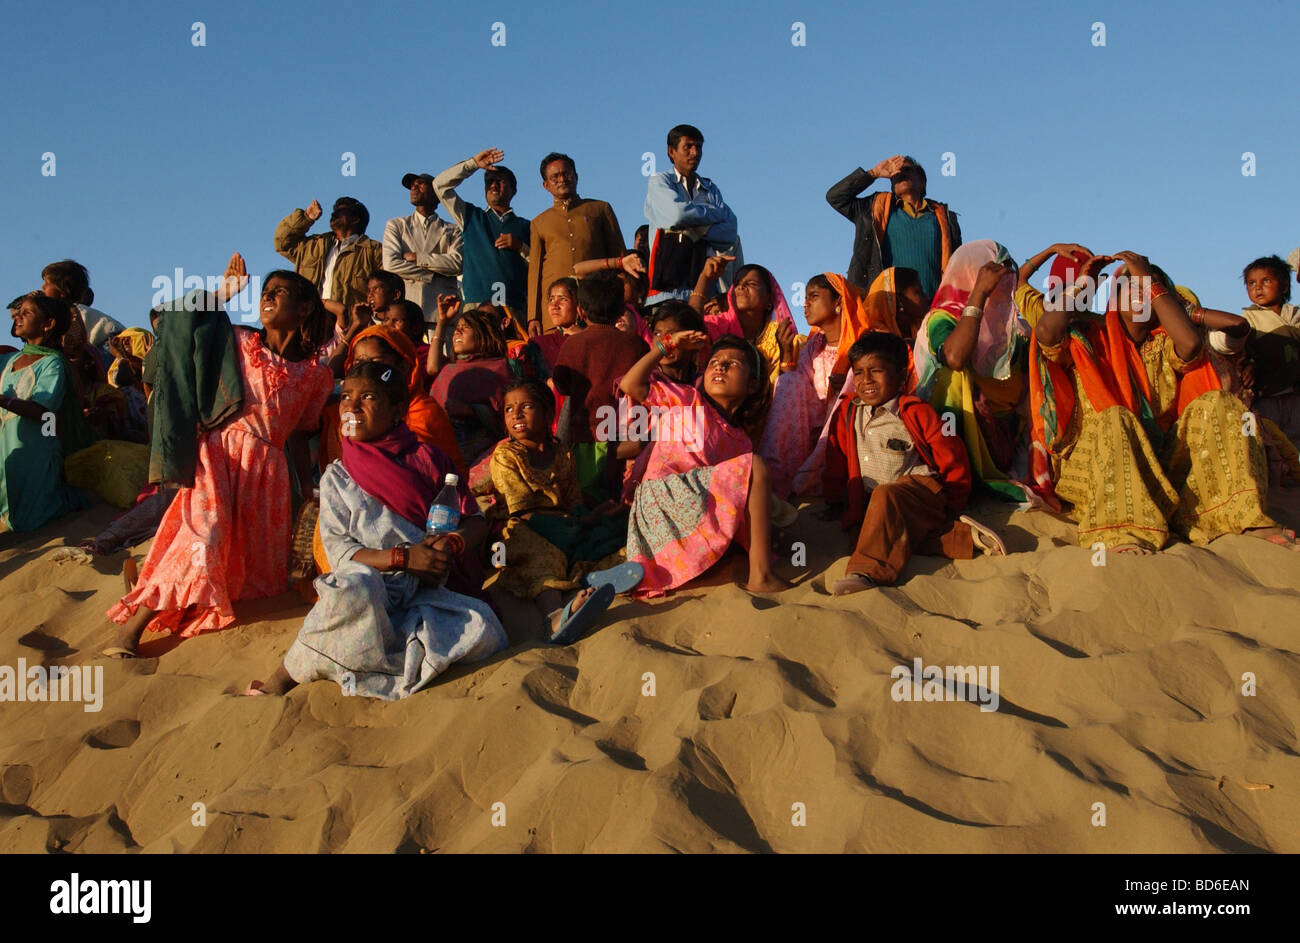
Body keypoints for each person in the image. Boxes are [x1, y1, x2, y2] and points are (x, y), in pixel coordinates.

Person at [104, 267, 334, 657]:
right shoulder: (238, 342)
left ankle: (156, 582)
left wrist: (306, 488)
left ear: (305, 307)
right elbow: (172, 319)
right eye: (265, 291)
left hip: (269, 475)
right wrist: (223, 293)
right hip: (219, 457)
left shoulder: (316, 375)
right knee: (202, 539)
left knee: (245, 570)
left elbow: (298, 433)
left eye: (280, 292)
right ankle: (133, 630)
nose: (268, 297)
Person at [247, 360, 507, 699]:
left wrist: (451, 547)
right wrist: (404, 558)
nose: (351, 406)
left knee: (483, 627)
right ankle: (282, 678)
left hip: (426, 590)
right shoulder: (337, 478)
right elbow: (341, 553)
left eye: (367, 397)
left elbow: (472, 519)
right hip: (371, 590)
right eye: (345, 397)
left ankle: (381, 658)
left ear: (397, 410)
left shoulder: (429, 458)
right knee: (355, 587)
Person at [1024, 247, 1293, 552]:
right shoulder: (1088, 334)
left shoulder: (1164, 344)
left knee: (1222, 403)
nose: (1138, 293)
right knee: (1116, 417)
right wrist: (1084, 285)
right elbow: (1046, 332)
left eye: (1147, 288)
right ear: (1112, 297)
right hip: (1095, 461)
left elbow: (1192, 344)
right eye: (1128, 287)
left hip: (1158, 461)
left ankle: (1239, 518)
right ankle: (1123, 531)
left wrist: (1149, 279)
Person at [822, 333, 1002, 595]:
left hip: (920, 493)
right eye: (858, 372)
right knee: (875, 533)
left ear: (900, 376)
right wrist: (833, 500)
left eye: (876, 371)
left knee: (885, 503)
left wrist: (953, 502)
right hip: (878, 505)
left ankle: (866, 573)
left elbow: (951, 456)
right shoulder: (848, 412)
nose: (866, 380)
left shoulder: (916, 411)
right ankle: (967, 538)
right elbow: (837, 457)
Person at [620, 332, 789, 596]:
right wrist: (665, 346)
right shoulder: (688, 400)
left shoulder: (742, 441)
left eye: (732, 363)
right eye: (714, 361)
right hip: (662, 503)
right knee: (756, 468)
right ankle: (762, 577)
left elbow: (729, 497)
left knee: (773, 532)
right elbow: (631, 384)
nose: (720, 366)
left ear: (753, 385)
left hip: (691, 508)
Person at [488, 380, 638, 640]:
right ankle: (554, 617)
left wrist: (593, 515)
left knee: (610, 531)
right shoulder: (505, 455)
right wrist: (570, 526)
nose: (516, 415)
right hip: (521, 526)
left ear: (548, 414)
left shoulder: (561, 452)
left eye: (526, 406)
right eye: (509, 409)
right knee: (543, 555)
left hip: (564, 524)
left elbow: (573, 501)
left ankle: (593, 576)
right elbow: (519, 510)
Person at [913, 239, 1037, 503]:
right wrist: (978, 294)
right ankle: (955, 475)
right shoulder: (942, 318)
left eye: (1007, 271)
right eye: (993, 272)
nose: (1003, 279)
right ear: (972, 273)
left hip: (1003, 437)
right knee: (952, 376)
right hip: (955, 431)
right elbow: (955, 358)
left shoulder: (1011, 325)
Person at [760, 272, 892, 498]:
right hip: (813, 424)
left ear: (838, 302)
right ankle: (775, 475)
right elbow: (795, 392)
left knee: (854, 378)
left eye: (813, 296)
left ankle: (817, 475)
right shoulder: (813, 346)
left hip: (851, 424)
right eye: (804, 297)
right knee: (788, 380)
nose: (805, 304)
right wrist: (786, 354)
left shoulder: (867, 341)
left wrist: (847, 386)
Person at [319, 324, 464, 477]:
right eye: (359, 362)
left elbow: (437, 473)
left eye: (376, 361)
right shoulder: (345, 412)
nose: (368, 369)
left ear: (403, 366)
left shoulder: (423, 413)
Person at [0, 293, 91, 533]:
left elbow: (43, 410)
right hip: (8, 447)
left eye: (27, 313)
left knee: (34, 519)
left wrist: (4, 401)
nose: (18, 318)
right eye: (18, 314)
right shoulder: (11, 360)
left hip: (37, 450)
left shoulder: (52, 364)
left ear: (48, 324)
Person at [551, 272, 648, 498]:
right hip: (629, 438)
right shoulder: (636, 344)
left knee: (586, 500)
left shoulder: (573, 344)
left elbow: (562, 385)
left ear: (580, 312)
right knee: (618, 498)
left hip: (586, 436)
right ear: (620, 311)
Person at [688, 260, 801, 443]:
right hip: (710, 424)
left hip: (769, 428)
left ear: (769, 301)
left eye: (752, 283)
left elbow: (788, 396)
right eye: (738, 283)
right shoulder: (718, 326)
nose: (742, 287)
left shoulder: (781, 337)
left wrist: (787, 357)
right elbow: (688, 325)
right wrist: (704, 278)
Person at [826, 155, 961, 300]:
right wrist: (873, 173)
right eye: (895, 173)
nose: (900, 173)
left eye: (907, 169)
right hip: (883, 306)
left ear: (922, 182)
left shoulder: (945, 219)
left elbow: (958, 265)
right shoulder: (873, 209)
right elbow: (835, 197)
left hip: (930, 308)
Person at [526, 153, 628, 334]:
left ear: (576, 175)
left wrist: (624, 302)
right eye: (554, 177)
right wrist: (533, 316)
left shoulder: (600, 209)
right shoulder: (539, 222)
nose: (562, 179)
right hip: (555, 314)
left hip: (596, 304)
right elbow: (535, 272)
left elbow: (620, 257)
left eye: (567, 173)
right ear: (546, 185)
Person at [643, 124, 741, 306]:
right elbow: (676, 215)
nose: (695, 153)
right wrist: (712, 217)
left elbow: (730, 231)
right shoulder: (660, 181)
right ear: (672, 151)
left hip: (703, 292)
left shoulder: (710, 189)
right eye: (688, 146)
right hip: (666, 293)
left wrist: (696, 230)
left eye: (699, 147)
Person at [1208, 255, 1300, 446]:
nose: (1257, 287)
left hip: (1295, 395)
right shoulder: (1249, 319)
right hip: (1265, 395)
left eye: (1265, 280)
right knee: (1267, 443)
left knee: (1293, 446)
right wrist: (1251, 364)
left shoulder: (1295, 316)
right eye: (1251, 283)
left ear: (1284, 286)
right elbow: (1243, 351)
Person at [433, 149, 530, 311]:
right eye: (489, 181)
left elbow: (540, 263)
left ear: (514, 189)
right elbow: (440, 185)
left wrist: (520, 247)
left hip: (514, 306)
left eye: (500, 181)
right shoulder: (471, 216)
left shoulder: (526, 226)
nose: (493, 185)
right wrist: (473, 164)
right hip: (476, 304)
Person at [428, 296, 513, 465]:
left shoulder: (498, 369)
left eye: (465, 328)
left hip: (483, 454)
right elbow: (431, 368)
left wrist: (471, 410)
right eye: (457, 328)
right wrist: (442, 323)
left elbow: (506, 416)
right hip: (443, 449)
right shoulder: (449, 369)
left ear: (483, 335)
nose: (457, 332)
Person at [274, 196, 383, 322]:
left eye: (340, 211)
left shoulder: (373, 251)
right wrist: (306, 218)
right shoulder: (313, 245)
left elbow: (386, 289)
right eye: (334, 211)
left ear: (355, 219)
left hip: (348, 329)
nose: (334, 213)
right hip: (308, 324)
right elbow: (281, 242)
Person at [381, 172, 463, 323]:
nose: (414, 188)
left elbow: (456, 264)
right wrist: (431, 274)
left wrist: (417, 258)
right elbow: (391, 265)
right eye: (412, 186)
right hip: (404, 313)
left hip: (441, 313)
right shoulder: (396, 225)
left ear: (435, 192)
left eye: (420, 184)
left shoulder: (453, 230)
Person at [40, 260, 125, 350]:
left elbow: (74, 345)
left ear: (63, 291)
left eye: (47, 283)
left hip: (111, 342)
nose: (42, 287)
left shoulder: (72, 313)